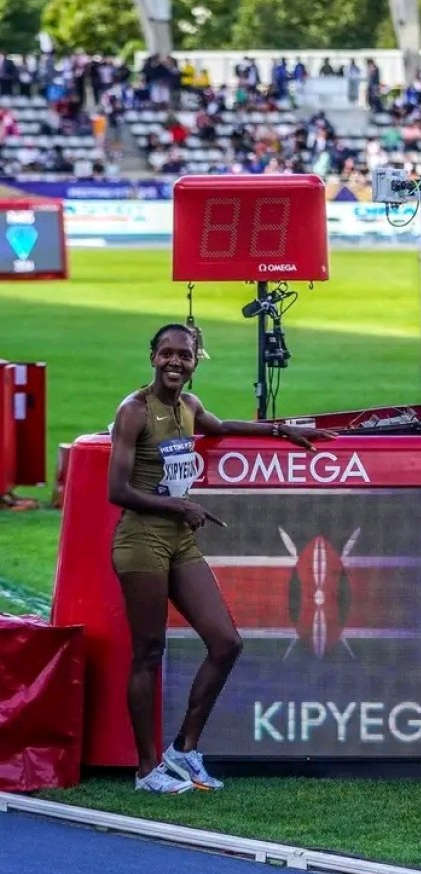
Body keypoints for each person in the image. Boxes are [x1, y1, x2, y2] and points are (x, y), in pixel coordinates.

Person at [108, 323, 335, 794]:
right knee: (149, 652)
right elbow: (117, 490)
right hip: (142, 541)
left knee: (226, 641)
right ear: (152, 357)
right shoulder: (133, 412)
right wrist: (180, 506)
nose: (175, 362)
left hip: (180, 540)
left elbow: (223, 426)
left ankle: (184, 750)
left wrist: (281, 430)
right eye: (167, 353)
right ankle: (147, 770)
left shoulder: (189, 407)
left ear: (195, 362)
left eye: (185, 356)